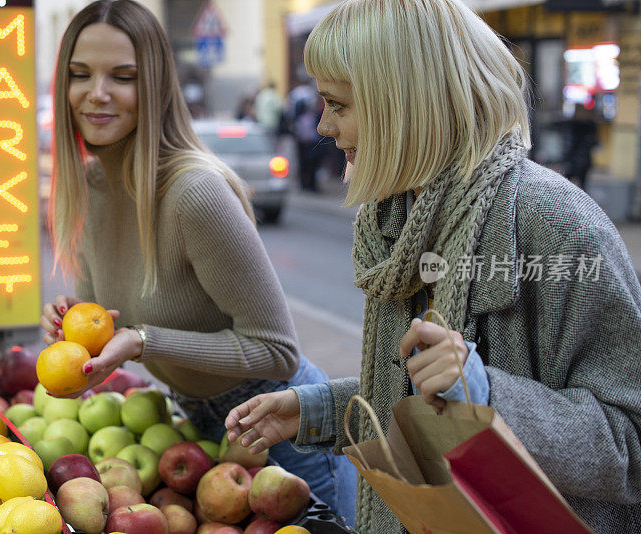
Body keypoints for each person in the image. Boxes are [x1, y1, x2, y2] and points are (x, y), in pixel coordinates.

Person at [224, 1, 641, 532]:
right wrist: (315, 411)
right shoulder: (396, 218)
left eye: (338, 104)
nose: (324, 125)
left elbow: (631, 442)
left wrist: (488, 396)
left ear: (404, 105)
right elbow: (424, 397)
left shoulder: (555, 224)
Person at [38, 0, 357, 523]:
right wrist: (74, 330)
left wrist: (144, 342)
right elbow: (103, 320)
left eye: (122, 76)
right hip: (201, 428)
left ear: (156, 88)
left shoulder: (195, 193)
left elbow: (277, 350)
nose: (96, 93)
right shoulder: (92, 187)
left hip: (285, 432)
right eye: (79, 74)